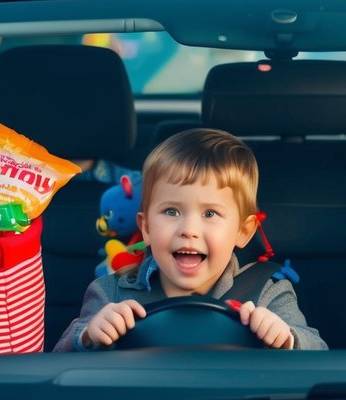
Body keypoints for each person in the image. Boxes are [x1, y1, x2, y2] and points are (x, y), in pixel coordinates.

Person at [54, 127, 327, 351]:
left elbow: (318, 353)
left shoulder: (267, 294)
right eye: (172, 211)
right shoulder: (111, 292)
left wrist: (287, 338)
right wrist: (88, 335)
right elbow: (58, 361)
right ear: (146, 227)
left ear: (243, 231)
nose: (189, 229)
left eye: (210, 213)